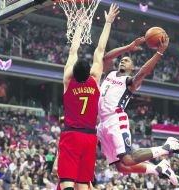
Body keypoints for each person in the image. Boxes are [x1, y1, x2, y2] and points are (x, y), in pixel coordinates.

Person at [97, 35, 179, 186]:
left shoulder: (130, 82)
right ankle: (159, 168)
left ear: (131, 68)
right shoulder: (110, 74)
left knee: (127, 159)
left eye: (127, 60)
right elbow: (106, 58)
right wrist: (128, 47)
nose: (123, 60)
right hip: (102, 123)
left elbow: (143, 72)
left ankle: (168, 146)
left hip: (115, 119)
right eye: (122, 59)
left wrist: (159, 53)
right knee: (121, 167)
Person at [57, 4, 119, 190]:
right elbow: (100, 51)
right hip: (90, 137)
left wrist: (80, 26)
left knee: (66, 180)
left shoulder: (68, 79)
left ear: (73, 71)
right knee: (83, 183)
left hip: (72, 135)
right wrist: (108, 23)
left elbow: (72, 51)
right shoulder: (95, 79)